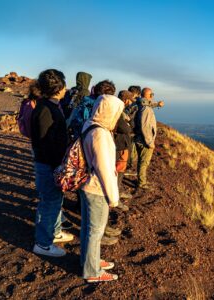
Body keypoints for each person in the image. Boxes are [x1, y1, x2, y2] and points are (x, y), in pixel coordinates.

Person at [79, 92, 124, 282]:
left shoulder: (90, 124)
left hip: (85, 184)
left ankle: (90, 260)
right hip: (97, 188)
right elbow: (104, 169)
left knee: (87, 228)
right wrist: (113, 197)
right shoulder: (101, 134)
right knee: (95, 230)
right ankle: (92, 271)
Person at [31, 69, 74, 257]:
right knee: (49, 202)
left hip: (51, 163)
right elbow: (45, 143)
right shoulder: (45, 110)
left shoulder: (49, 106)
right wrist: (58, 166)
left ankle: (54, 233)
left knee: (55, 200)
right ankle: (43, 243)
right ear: (59, 87)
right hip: (48, 165)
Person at [133, 87, 164, 189]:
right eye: (152, 94)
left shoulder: (141, 103)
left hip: (138, 137)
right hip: (144, 140)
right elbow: (145, 126)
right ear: (149, 96)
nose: (153, 96)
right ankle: (142, 183)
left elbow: (148, 103)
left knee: (141, 161)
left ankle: (141, 180)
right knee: (144, 162)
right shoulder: (146, 109)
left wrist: (157, 104)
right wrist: (149, 142)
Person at [115, 91, 134, 202]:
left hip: (118, 144)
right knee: (119, 171)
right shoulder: (119, 111)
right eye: (129, 100)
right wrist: (129, 122)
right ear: (126, 100)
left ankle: (116, 193)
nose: (130, 103)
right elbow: (127, 129)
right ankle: (115, 197)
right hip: (121, 145)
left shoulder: (116, 109)